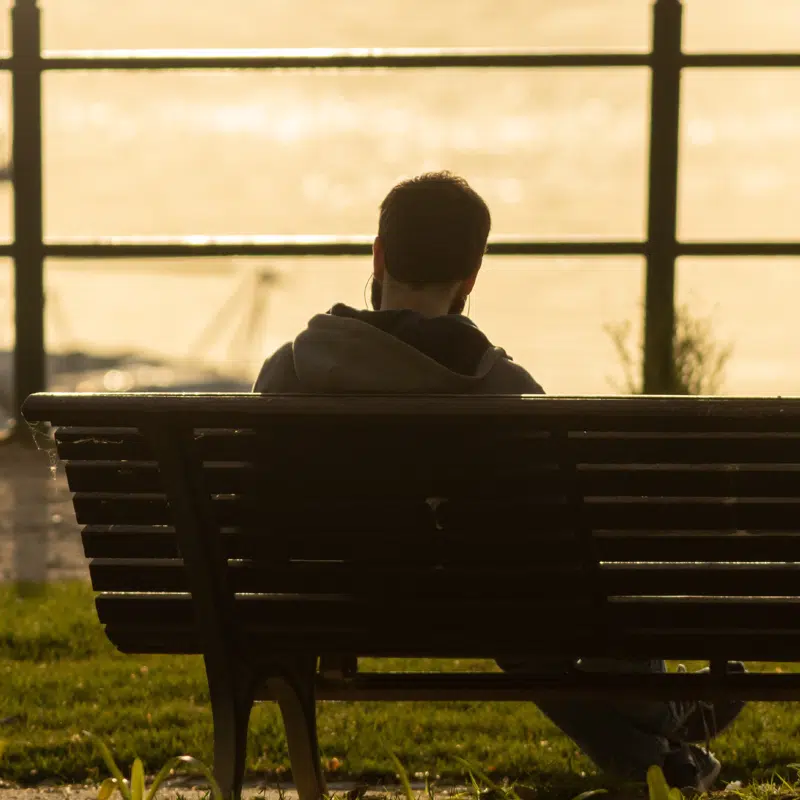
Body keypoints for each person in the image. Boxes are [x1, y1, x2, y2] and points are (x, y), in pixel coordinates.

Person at [253, 171, 743, 790]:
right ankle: (667, 713)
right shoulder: (502, 389)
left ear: (378, 257)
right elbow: (568, 530)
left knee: (511, 609)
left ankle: (657, 760)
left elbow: (254, 512)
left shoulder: (286, 373)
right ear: (471, 277)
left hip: (317, 603)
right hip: (481, 607)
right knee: (521, 605)